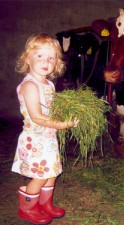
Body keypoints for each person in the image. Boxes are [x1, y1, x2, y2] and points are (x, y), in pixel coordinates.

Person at [11, 33, 79, 225]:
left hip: (48, 138)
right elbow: (38, 117)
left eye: (51, 57)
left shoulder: (48, 84)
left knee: (51, 173)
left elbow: (52, 109)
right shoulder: (30, 85)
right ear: (28, 58)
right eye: (39, 56)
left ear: (57, 62)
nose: (46, 61)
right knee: (40, 177)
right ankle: (27, 209)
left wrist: (66, 113)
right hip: (35, 139)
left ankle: (45, 204)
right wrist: (63, 124)